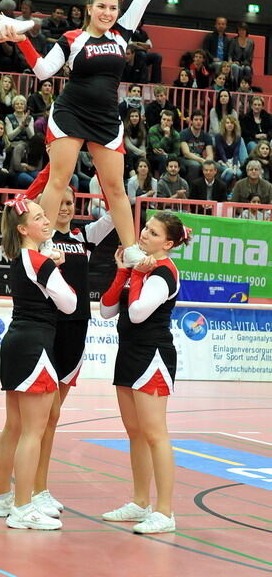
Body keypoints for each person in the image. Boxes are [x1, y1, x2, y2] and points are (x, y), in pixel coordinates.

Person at [18, 0, 181, 265]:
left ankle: (132, 248)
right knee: (58, 180)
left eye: (112, 8)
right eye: (102, 7)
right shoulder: (72, 39)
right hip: (70, 114)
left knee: (115, 189)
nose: (108, 13)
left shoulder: (122, 34)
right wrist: (20, 39)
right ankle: (46, 243)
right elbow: (42, 71)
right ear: (90, 8)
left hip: (106, 118)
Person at [100, 213, 191, 534]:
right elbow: (107, 309)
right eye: (146, 228)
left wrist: (137, 274)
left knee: (155, 434)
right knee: (135, 433)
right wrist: (123, 271)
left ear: (167, 243)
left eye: (153, 233)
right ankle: (140, 503)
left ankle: (165, 512)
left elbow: (138, 313)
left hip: (153, 356)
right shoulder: (142, 268)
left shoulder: (163, 272)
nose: (144, 234)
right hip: (128, 355)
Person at [0, 196, 76, 530]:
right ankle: (23, 507)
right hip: (35, 345)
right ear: (24, 228)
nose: (47, 221)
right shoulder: (39, 262)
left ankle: (1, 499)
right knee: (32, 432)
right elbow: (69, 304)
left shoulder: (22, 257)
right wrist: (55, 265)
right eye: (40, 218)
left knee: (13, 427)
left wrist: (50, 259)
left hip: (16, 343)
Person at [31, 188, 115, 517]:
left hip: (76, 328)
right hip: (44, 326)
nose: (64, 208)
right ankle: (27, 488)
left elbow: (115, 211)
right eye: (59, 202)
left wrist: (107, 179)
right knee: (36, 417)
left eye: (69, 203)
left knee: (52, 416)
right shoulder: (41, 238)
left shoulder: (85, 235)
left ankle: (39, 488)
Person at [179, 109, 214, 184]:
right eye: (196, 119)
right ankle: (191, 191)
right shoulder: (184, 133)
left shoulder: (206, 136)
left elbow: (210, 154)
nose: (198, 122)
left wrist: (208, 161)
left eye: (201, 120)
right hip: (185, 159)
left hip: (199, 159)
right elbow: (186, 153)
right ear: (191, 121)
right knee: (195, 165)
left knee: (215, 166)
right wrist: (201, 160)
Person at [147, 109, 180, 176]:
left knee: (182, 166)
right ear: (161, 120)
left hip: (168, 156)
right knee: (162, 159)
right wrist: (166, 136)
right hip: (152, 155)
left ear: (172, 122)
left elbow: (177, 153)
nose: (165, 122)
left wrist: (166, 155)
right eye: (164, 119)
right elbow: (157, 148)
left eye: (168, 120)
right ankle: (163, 181)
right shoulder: (153, 130)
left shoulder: (176, 134)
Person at [214, 116, 247, 184]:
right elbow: (221, 153)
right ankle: (223, 190)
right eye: (227, 123)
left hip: (233, 161)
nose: (230, 125)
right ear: (224, 125)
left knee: (239, 173)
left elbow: (236, 153)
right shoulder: (218, 136)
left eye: (232, 123)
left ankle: (234, 191)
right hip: (221, 162)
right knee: (230, 172)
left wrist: (234, 166)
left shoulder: (238, 137)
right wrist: (228, 165)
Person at [123, 108, 147, 176]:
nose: (134, 118)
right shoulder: (125, 128)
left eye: (136, 116)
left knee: (143, 158)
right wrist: (140, 152)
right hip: (127, 152)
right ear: (129, 118)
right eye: (132, 116)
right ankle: (132, 176)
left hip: (137, 152)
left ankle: (143, 176)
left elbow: (142, 145)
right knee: (130, 156)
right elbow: (128, 145)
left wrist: (143, 153)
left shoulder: (142, 129)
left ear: (139, 118)